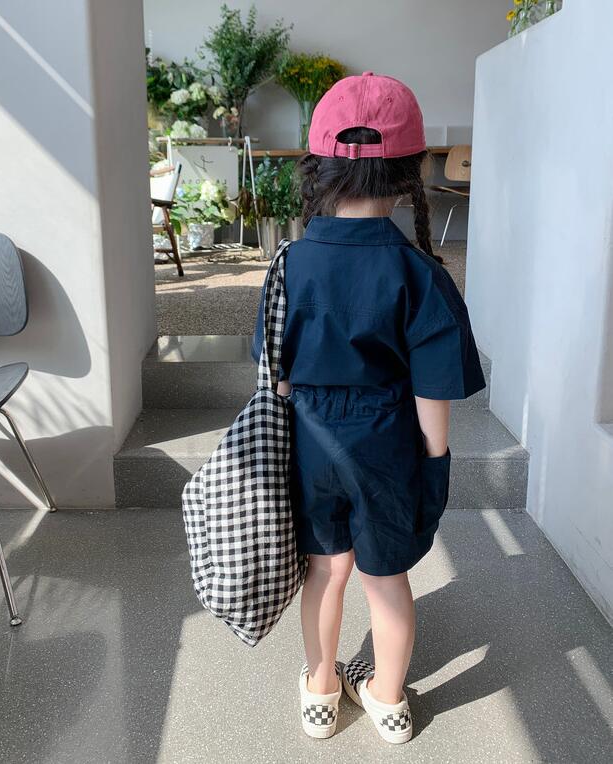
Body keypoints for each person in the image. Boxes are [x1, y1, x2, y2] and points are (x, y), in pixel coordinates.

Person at [251, 72, 486, 744]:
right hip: (386, 446)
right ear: (409, 174)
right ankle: (387, 701)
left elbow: (276, 375)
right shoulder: (418, 273)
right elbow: (432, 391)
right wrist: (433, 459)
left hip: (310, 443)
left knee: (326, 571)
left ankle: (321, 693)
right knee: (387, 580)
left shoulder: (289, 264)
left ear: (319, 167)